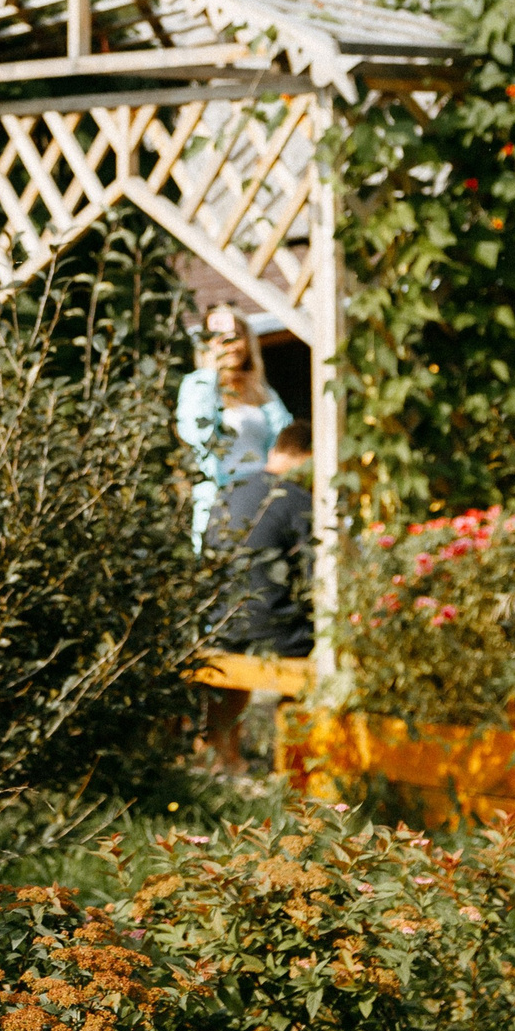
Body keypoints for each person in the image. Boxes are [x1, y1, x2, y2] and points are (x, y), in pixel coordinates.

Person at [197, 421, 314, 774]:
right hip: (273, 635)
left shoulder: (228, 492)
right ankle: (294, 766)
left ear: (275, 450)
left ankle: (225, 757)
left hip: (222, 626)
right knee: (320, 652)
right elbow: (315, 577)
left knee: (239, 637)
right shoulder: (299, 500)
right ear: (308, 458)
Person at [177, 306, 292, 548]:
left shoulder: (263, 392)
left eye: (236, 336)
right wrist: (209, 373)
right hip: (223, 502)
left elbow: (285, 441)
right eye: (220, 338)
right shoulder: (197, 385)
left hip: (264, 498)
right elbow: (196, 435)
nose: (230, 345)